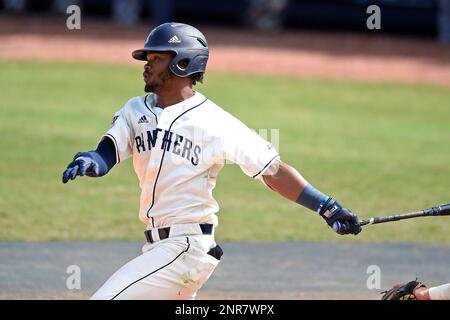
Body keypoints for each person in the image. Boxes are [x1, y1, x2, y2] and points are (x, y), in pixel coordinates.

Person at [62, 22, 362, 300]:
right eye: (147, 58)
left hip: (185, 249)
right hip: (159, 249)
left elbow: (272, 170)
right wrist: (91, 162)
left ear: (182, 62)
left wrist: (326, 206)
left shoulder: (215, 122)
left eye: (156, 58)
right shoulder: (135, 110)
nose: (147, 64)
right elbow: (108, 152)